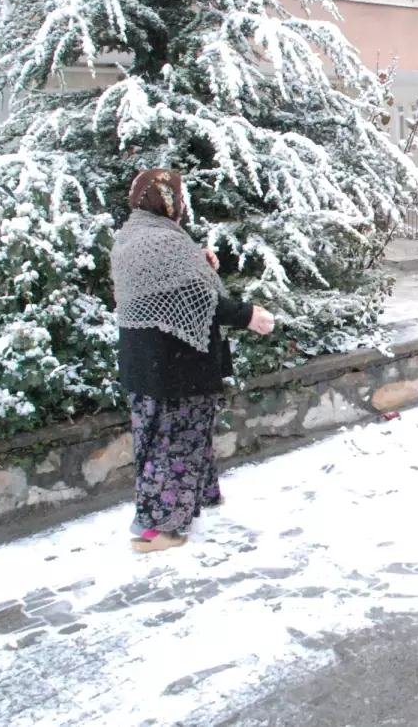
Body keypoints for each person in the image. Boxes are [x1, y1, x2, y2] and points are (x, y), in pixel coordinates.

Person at [111, 169, 276, 553]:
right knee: (176, 442)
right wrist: (248, 315)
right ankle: (162, 530)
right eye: (179, 198)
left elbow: (158, 286)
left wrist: (198, 261)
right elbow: (199, 300)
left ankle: (203, 497)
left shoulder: (132, 235)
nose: (183, 205)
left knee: (159, 438)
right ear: (166, 201)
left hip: (143, 364)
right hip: (176, 365)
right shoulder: (165, 240)